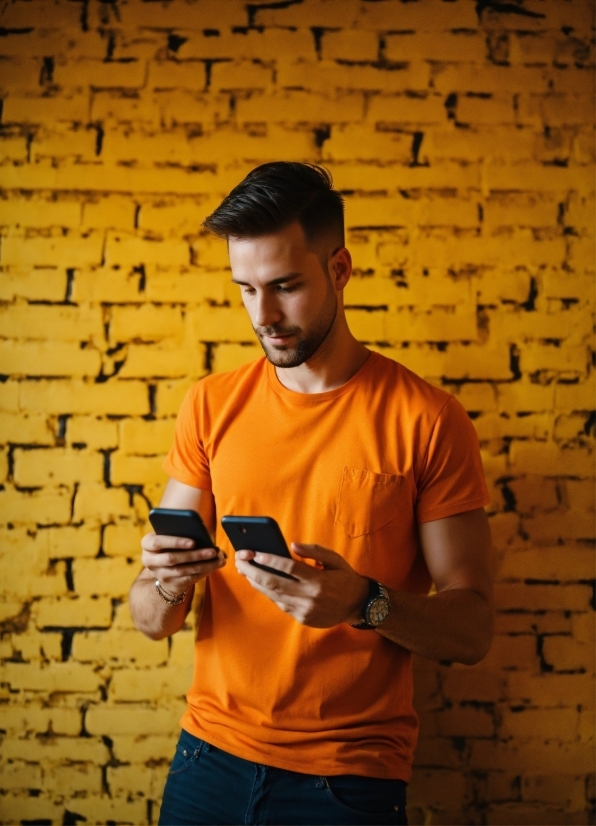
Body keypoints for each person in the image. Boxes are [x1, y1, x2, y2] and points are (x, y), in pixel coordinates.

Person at [129, 162, 494, 826]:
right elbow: (153, 620)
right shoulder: (210, 407)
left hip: (348, 781)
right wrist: (165, 582)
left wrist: (366, 603)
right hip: (206, 760)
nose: (263, 315)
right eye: (244, 289)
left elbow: (472, 630)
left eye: (285, 287)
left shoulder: (428, 419)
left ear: (340, 269)